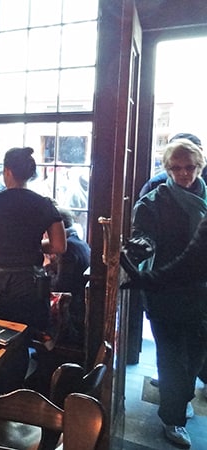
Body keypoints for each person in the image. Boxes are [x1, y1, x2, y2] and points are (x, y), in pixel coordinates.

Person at [125, 138, 207, 448]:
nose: (184, 174)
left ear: (199, 166)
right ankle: (172, 418)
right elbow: (143, 239)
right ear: (167, 168)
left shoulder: (205, 197)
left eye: (190, 167)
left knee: (196, 355)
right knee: (172, 357)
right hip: (166, 291)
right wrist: (135, 252)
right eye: (176, 168)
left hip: (201, 292)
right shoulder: (153, 202)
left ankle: (181, 398)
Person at [0, 146, 66, 393]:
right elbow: (59, 245)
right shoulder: (43, 204)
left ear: (7, 171)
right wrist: (33, 242)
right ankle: (12, 396)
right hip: (27, 283)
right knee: (18, 341)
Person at [44, 207, 90, 346]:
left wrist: (46, 266)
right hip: (79, 308)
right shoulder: (79, 242)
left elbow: (60, 288)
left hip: (72, 317)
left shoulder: (68, 248)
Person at [138, 133, 205, 197]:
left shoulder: (202, 188)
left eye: (189, 167)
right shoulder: (155, 185)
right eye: (176, 168)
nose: (183, 173)